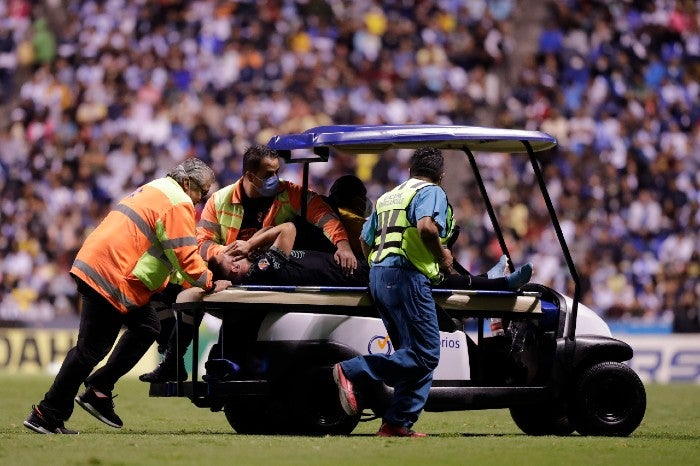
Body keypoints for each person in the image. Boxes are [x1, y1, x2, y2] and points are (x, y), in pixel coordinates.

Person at [332, 146, 532, 437]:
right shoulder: (430, 192)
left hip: (379, 275)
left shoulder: (389, 196)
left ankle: (397, 422)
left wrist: (378, 262)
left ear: (411, 171)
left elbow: (365, 239)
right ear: (440, 175)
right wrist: (443, 256)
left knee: (412, 354)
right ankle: (352, 370)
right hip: (408, 276)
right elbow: (427, 228)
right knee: (426, 354)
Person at [23, 158, 231, 435]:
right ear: (187, 183)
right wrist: (211, 282)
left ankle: (98, 390)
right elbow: (185, 257)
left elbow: (164, 254)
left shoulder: (156, 189)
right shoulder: (178, 202)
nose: (199, 201)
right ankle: (46, 414)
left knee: (146, 326)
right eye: (201, 193)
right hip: (111, 276)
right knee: (89, 351)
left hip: (105, 267)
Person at [140, 144, 357, 383]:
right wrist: (226, 253)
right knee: (182, 294)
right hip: (231, 273)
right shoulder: (219, 201)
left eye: (277, 171)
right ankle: (174, 360)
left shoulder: (290, 193)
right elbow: (200, 245)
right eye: (269, 174)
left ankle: (217, 365)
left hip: (266, 277)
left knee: (215, 304)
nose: (276, 178)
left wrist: (342, 244)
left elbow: (323, 216)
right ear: (249, 176)